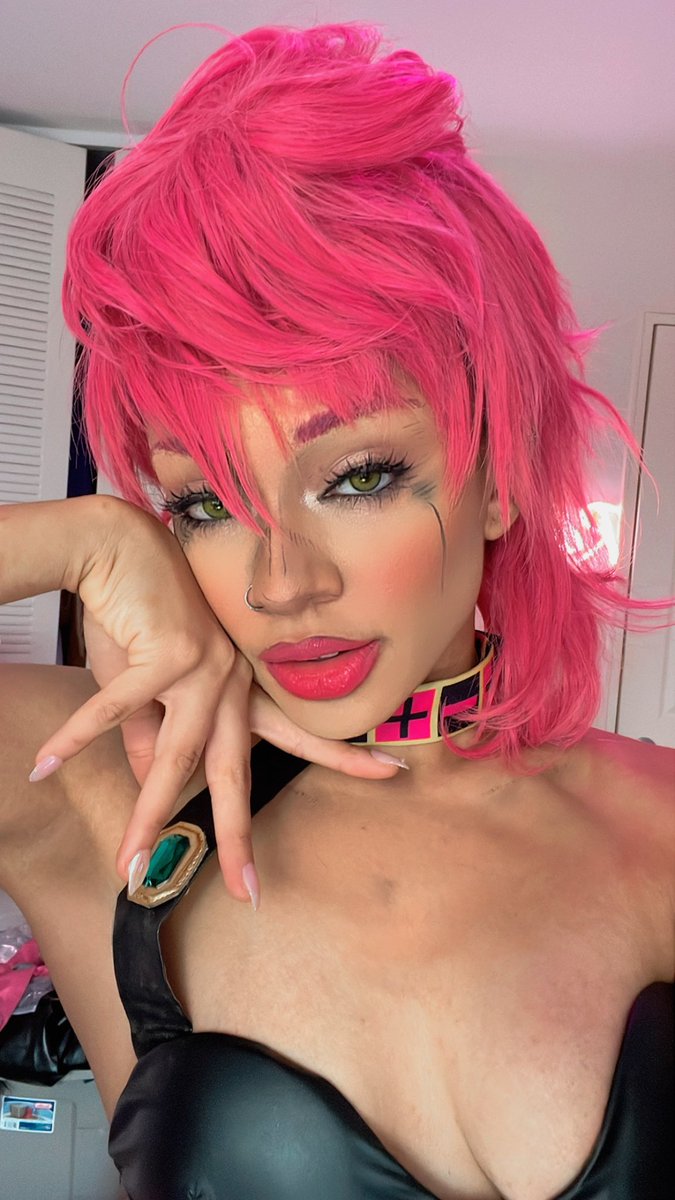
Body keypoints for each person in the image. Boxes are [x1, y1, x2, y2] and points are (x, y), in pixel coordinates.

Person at [0, 20, 673, 1200]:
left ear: (501, 476)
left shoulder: (659, 824)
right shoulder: (94, 792)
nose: (280, 583)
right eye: (205, 503)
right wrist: (88, 541)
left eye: (359, 477)